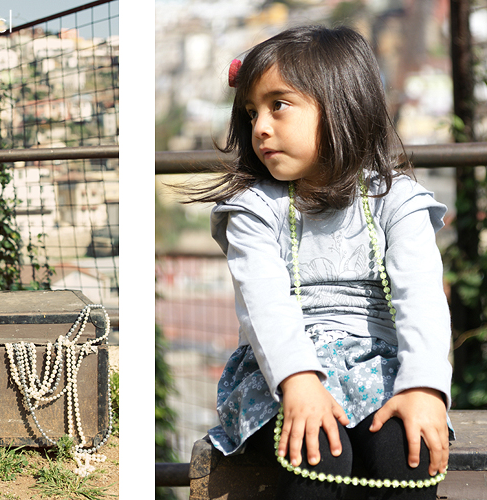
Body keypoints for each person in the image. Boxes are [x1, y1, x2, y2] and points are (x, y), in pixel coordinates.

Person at [190, 26, 452, 499]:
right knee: (319, 449)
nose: (260, 127)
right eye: (252, 113)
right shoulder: (255, 209)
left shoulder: (398, 202)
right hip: (287, 374)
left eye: (278, 105)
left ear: (340, 105)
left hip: (382, 368)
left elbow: (422, 297)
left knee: (405, 450)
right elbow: (265, 305)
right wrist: (298, 382)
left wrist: (424, 388)